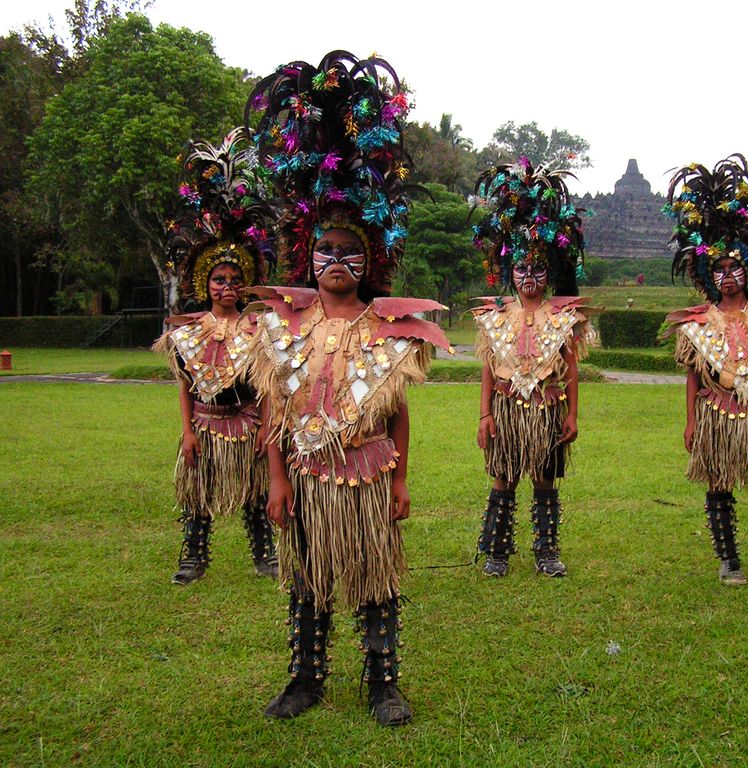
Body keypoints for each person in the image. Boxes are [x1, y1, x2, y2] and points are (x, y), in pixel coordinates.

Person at [246, 51, 451, 725]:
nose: (337, 263)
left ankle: (382, 684)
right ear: (308, 256)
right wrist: (275, 483)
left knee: (374, 579)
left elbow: (397, 419)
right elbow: (274, 413)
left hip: (366, 475)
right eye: (326, 251)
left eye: (351, 252)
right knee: (307, 581)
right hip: (305, 476)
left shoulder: (391, 332)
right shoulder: (282, 328)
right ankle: (304, 679)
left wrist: (399, 482)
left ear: (373, 260)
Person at [661, 155, 748, 588]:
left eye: (735, 266)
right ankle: (729, 561)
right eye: (719, 269)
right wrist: (689, 421)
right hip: (714, 411)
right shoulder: (697, 323)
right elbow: (691, 374)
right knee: (719, 482)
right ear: (708, 273)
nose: (727, 276)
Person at [153, 128, 278, 586]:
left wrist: (266, 424)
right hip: (205, 423)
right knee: (198, 496)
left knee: (254, 492)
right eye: (218, 280)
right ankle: (194, 558)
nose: (226, 287)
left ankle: (265, 556)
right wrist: (187, 431)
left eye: (233, 280)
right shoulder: (188, 334)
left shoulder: (259, 329)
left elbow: (266, 384)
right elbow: (185, 385)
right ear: (205, 283)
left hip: (246, 423)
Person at [469, 159, 596, 577]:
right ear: (510, 271)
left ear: (550, 271)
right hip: (506, 409)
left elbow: (570, 368)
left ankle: (546, 552)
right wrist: (486, 415)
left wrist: (573, 413)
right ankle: (497, 552)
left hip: (547, 409)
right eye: (521, 268)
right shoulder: (496, 316)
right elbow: (489, 368)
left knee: (545, 479)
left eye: (537, 269)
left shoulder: (563, 317)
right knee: (503, 478)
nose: (528, 277)